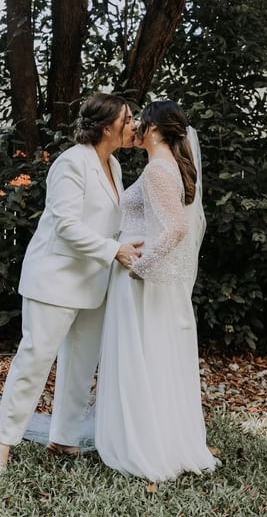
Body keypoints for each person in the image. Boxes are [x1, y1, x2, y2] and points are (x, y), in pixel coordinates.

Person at [0, 93, 142, 472]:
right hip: (54, 279)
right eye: (129, 118)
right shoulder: (71, 163)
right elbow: (67, 227)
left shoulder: (115, 167)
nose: (135, 124)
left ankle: (64, 438)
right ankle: (2, 441)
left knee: (81, 365)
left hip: (94, 281)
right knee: (34, 361)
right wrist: (114, 250)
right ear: (107, 127)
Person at [95, 100, 219, 482]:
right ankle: (157, 438)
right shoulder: (166, 166)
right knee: (151, 357)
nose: (133, 127)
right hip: (146, 277)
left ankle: (145, 445)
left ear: (152, 127)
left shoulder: (157, 170)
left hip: (140, 280)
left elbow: (176, 230)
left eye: (138, 120)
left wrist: (139, 269)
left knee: (141, 357)